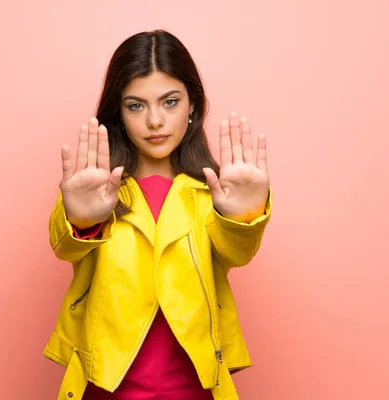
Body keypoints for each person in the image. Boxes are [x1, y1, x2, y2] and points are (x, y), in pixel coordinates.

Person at [43, 29, 272, 400]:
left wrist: (243, 216)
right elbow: (66, 247)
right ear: (117, 112)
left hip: (194, 390)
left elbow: (236, 253)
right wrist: (83, 221)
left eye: (169, 102)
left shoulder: (212, 188)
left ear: (193, 104)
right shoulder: (95, 186)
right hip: (107, 389)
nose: (154, 121)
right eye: (136, 105)